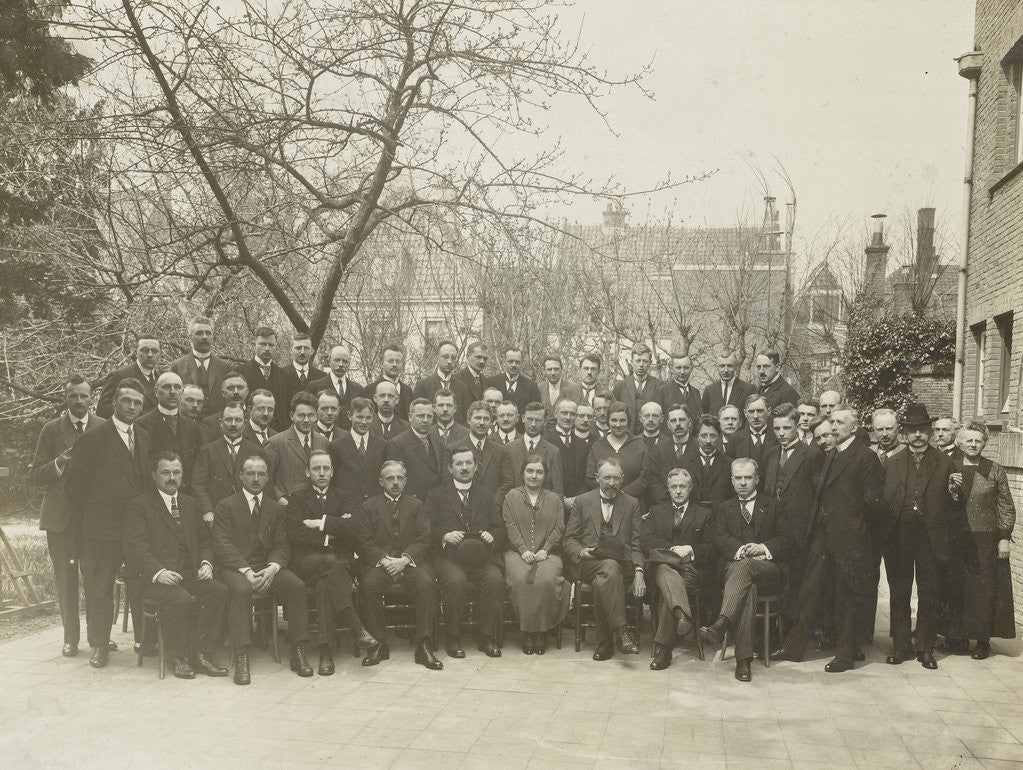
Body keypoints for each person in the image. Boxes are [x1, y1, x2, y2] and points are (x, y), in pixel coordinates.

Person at [774, 406, 886, 673]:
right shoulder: (831, 453)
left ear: (854, 428)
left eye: (839, 423)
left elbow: (873, 502)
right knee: (809, 591)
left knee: (846, 596)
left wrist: (856, 531)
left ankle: (846, 655)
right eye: (832, 422)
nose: (833, 427)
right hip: (822, 536)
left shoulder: (865, 457)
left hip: (849, 538)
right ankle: (794, 647)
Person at [65, 377, 151, 668]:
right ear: (115, 402)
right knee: (100, 589)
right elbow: (74, 489)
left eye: (137, 402)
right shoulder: (94, 437)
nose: (131, 406)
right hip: (100, 530)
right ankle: (99, 646)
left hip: (135, 529)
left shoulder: (145, 436)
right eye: (126, 400)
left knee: (141, 582)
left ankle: (145, 641)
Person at [122, 453, 229, 679]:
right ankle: (177, 657)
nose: (172, 478)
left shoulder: (190, 504)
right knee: (179, 598)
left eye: (177, 473)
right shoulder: (138, 505)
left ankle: (202, 654)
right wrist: (158, 572)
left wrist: (206, 563)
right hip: (149, 577)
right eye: (166, 472)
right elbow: (135, 546)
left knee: (218, 592)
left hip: (186, 573)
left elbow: (205, 541)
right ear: (154, 475)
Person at [213, 456, 313, 684]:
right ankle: (241, 654)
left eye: (261, 474)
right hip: (234, 568)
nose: (256, 479)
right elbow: (223, 544)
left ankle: (298, 651)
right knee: (241, 590)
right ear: (241, 476)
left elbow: (282, 544)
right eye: (250, 473)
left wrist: (272, 568)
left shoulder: (275, 508)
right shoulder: (225, 506)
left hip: (265, 568)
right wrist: (246, 571)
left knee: (296, 586)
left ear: (268, 478)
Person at [30, 375, 107, 657]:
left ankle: (98, 636)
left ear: (91, 399)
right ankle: (70, 639)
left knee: (96, 578)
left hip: (92, 520)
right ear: (66, 398)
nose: (78, 401)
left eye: (83, 396)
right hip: (61, 519)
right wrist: (58, 463)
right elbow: (36, 474)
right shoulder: (51, 430)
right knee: (66, 580)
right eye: (73, 395)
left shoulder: (103, 427)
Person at [285, 451, 378, 675]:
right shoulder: (296, 498)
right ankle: (355, 627)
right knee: (329, 564)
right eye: (316, 469)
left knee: (325, 586)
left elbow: (356, 527)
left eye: (326, 468)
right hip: (307, 562)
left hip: (338, 564)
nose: (322, 473)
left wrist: (320, 523)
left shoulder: (345, 496)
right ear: (308, 472)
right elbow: (295, 532)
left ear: (332, 472)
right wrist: (334, 531)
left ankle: (326, 652)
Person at [700, 458, 793, 682]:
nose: (743, 482)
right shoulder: (724, 508)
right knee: (747, 588)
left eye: (748, 477)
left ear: (757, 479)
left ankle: (723, 622)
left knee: (747, 565)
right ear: (731, 481)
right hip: (737, 574)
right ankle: (743, 661)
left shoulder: (773, 504)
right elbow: (719, 538)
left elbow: (788, 539)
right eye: (738, 478)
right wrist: (742, 549)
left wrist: (762, 547)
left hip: (768, 570)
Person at [881, 403, 956, 670]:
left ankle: (925, 648)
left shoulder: (946, 462)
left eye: (923, 429)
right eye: (912, 430)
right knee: (899, 591)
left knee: (928, 592)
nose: (918, 435)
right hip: (899, 534)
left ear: (929, 431)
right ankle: (900, 647)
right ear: (905, 433)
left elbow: (954, 503)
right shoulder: (892, 462)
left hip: (931, 535)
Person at [355, 460, 443, 670]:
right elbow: (362, 541)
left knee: (426, 584)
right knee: (368, 586)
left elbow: (424, 537)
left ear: (405, 481)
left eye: (399, 478)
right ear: (380, 481)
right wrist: (385, 560)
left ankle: (423, 645)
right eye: (390, 478)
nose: (395, 483)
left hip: (410, 562)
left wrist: (404, 560)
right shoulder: (368, 506)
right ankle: (378, 643)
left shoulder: (416, 505)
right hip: (381, 563)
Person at [425, 446, 505, 659]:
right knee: (455, 581)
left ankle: (486, 637)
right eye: (459, 464)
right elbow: (426, 528)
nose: (464, 468)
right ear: (450, 468)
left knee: (495, 580)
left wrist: (492, 536)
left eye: (468, 463)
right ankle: (453, 637)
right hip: (449, 557)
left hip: (481, 558)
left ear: (476, 467)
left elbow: (499, 527)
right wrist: (444, 536)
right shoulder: (435, 495)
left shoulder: (486, 494)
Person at [945, 421, 1017, 658]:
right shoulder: (949, 467)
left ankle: (983, 641)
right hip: (956, 538)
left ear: (984, 443)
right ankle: (959, 638)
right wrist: (951, 491)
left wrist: (1004, 537)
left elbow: (1005, 505)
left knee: (984, 590)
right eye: (969, 440)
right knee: (958, 588)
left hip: (986, 540)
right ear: (960, 442)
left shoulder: (994, 469)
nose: (973, 444)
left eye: (978, 440)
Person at [563, 457, 643, 660]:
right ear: (597, 478)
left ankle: (605, 642)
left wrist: (639, 571)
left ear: (623, 479)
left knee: (604, 577)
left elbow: (636, 544)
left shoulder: (632, 503)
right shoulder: (582, 501)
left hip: (620, 566)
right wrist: (581, 552)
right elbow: (569, 539)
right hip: (586, 563)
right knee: (608, 568)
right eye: (607, 478)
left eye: (616, 478)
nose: (612, 483)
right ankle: (622, 632)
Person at [642, 468, 714, 670]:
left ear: (690, 488)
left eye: (683, 486)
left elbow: (711, 547)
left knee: (669, 590)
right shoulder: (656, 511)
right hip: (659, 570)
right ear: (668, 488)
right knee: (665, 570)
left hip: (690, 571)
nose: (678, 491)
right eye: (674, 487)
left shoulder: (704, 514)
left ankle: (666, 648)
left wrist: (690, 549)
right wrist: (673, 551)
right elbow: (645, 541)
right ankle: (681, 616)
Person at [502, 453, 570, 654]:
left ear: (545, 475)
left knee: (548, 579)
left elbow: (559, 527)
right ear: (522, 473)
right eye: (530, 471)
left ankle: (540, 632)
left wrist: (545, 550)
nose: (534, 476)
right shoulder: (512, 496)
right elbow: (510, 525)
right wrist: (523, 550)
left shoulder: (554, 499)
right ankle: (527, 632)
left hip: (547, 554)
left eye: (539, 472)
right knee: (522, 579)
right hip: (516, 553)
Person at [192, 405, 265, 524]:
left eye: (238, 420)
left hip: (249, 514)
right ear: (221, 423)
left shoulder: (257, 451)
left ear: (245, 423)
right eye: (228, 419)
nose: (233, 424)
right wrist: (207, 510)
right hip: (217, 515)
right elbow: (198, 484)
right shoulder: (208, 451)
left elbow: (264, 484)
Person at [135, 372, 203, 494]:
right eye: (166, 387)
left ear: (182, 393)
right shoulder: (141, 425)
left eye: (177, 387)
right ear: (156, 392)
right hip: (154, 495)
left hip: (187, 497)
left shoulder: (193, 427)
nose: (172, 392)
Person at [265, 391, 329, 504]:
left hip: (317, 506)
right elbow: (265, 478)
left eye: (310, 415)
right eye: (301, 415)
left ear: (316, 416)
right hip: (288, 506)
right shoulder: (276, 443)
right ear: (292, 416)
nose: (306, 420)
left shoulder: (323, 442)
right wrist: (280, 498)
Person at [637, 404, 698, 508]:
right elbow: (654, 482)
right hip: (665, 507)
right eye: (673, 421)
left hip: (694, 507)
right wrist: (669, 505)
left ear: (689, 422)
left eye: (682, 420)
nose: (678, 424)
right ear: (668, 424)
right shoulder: (658, 450)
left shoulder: (699, 447)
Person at [169, 316, 231, 418]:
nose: (204, 337)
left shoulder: (225, 367)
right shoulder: (177, 366)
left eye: (208, 333)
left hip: (216, 428)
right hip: (187, 427)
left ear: (212, 337)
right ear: (190, 337)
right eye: (199, 333)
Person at [500, 402, 564, 499]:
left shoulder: (553, 452)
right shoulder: (509, 448)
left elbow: (557, 490)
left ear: (544, 422)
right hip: (515, 507)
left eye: (538, 420)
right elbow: (504, 484)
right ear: (523, 418)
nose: (533, 424)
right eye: (530, 419)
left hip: (543, 509)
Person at [386, 398, 446, 501]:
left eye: (429, 416)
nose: (425, 420)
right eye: (421, 416)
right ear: (410, 417)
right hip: (412, 506)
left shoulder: (438, 443)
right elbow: (396, 482)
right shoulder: (397, 444)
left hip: (437, 504)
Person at [328, 397, 387, 501]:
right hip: (347, 504)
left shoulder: (382, 445)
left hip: (374, 504)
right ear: (350, 416)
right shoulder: (336, 446)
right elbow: (333, 480)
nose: (364, 422)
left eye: (368, 418)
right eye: (359, 417)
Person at [585, 401, 645, 492]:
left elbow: (645, 477)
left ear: (628, 422)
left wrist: (624, 494)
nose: (618, 425)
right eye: (614, 420)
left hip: (633, 500)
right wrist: (608, 491)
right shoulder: (598, 446)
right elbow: (590, 477)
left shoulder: (639, 444)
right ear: (608, 421)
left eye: (622, 420)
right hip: (603, 500)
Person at [96, 336, 161, 418]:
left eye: (155, 351)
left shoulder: (162, 379)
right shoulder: (119, 376)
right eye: (144, 350)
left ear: (160, 354)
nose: (150, 355)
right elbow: (102, 410)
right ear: (135, 352)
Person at [237, 327, 288, 421]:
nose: (267, 349)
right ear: (254, 345)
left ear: (276, 347)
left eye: (271, 345)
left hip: (278, 431)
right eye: (263, 344)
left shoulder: (284, 375)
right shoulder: (240, 372)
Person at [308, 344, 364, 431]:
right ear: (329, 362)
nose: (341, 364)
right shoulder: (314, 386)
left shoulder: (358, 389)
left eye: (344, 361)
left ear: (349, 364)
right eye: (337, 360)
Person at [682, 415, 733, 508]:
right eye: (704, 436)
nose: (708, 441)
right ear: (697, 436)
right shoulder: (684, 463)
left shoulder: (729, 464)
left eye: (713, 436)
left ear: (719, 437)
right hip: (693, 518)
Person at [613, 342, 664, 434]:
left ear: (650, 363)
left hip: (651, 436)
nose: (641, 365)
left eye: (645, 361)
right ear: (631, 362)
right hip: (627, 437)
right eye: (638, 361)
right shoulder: (620, 387)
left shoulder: (660, 386)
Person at [412, 340, 470, 422]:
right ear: (437, 357)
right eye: (445, 357)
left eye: (453, 358)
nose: (449, 361)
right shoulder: (423, 385)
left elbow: (464, 419)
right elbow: (416, 415)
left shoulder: (462, 387)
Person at [545, 398, 589, 503]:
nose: (568, 418)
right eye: (564, 413)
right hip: (552, 502)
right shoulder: (545, 442)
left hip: (578, 503)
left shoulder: (583, 444)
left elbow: (587, 477)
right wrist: (561, 499)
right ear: (555, 414)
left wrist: (576, 499)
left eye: (572, 414)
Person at [278, 333, 326, 430]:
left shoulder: (322, 376)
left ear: (312, 351)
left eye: (306, 348)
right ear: (291, 350)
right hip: (286, 432)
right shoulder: (280, 375)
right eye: (298, 348)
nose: (302, 352)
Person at [488, 347, 541, 430]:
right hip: (495, 433)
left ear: (522, 363)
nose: (514, 365)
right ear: (504, 362)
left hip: (519, 434)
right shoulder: (492, 382)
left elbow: (534, 413)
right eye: (510, 361)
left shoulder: (531, 386)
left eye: (517, 362)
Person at [726, 394, 776, 472]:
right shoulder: (735, 440)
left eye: (760, 411)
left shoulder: (777, 437)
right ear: (745, 413)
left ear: (769, 411)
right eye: (751, 411)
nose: (755, 416)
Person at [463, 400, 505, 493]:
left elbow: (506, 483)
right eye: (478, 418)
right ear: (468, 420)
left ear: (491, 422)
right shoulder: (454, 449)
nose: (482, 423)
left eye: (486, 419)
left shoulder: (501, 451)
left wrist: (494, 504)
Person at [199, 371, 250, 443]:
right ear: (223, 393)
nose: (236, 392)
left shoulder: (255, 418)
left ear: (247, 391)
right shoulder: (210, 423)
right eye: (230, 388)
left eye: (240, 387)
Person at [701, 350, 755, 417]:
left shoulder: (748, 389)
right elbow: (705, 419)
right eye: (722, 366)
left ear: (736, 366)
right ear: (716, 367)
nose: (726, 370)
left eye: (730, 366)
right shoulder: (709, 390)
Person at [367, 344, 411, 420]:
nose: (394, 364)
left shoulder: (408, 391)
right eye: (390, 361)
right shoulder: (370, 390)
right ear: (381, 364)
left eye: (398, 361)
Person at [538, 355, 583, 429]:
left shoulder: (573, 389)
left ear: (562, 369)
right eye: (549, 369)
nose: (553, 373)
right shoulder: (539, 388)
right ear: (544, 371)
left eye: (556, 369)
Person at [656, 354, 702, 421]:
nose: (682, 372)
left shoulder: (696, 393)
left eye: (686, 368)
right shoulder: (661, 391)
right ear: (671, 369)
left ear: (691, 369)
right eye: (678, 368)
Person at [452, 341, 490, 406]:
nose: (482, 361)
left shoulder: (486, 381)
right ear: (467, 356)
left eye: (485, 358)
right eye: (478, 357)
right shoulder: (456, 379)